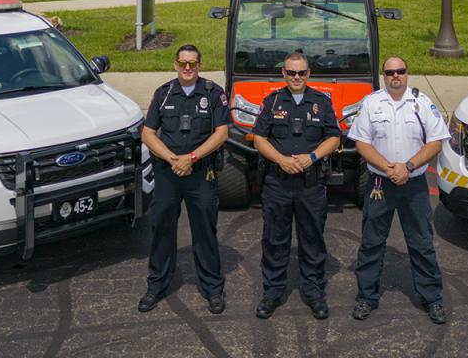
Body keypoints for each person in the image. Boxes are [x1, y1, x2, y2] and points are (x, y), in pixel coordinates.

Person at [348, 56, 451, 324]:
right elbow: (361, 142)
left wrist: (407, 166)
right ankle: (366, 297)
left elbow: (436, 142)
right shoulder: (371, 103)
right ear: (384, 76)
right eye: (390, 72)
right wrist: (389, 168)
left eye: (400, 71)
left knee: (421, 243)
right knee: (371, 242)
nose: (396, 76)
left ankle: (432, 299)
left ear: (407, 73)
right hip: (380, 183)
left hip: (414, 183)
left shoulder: (422, 102)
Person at [138, 44, 230, 314]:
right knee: (161, 230)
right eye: (183, 63)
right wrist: (172, 159)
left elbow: (221, 133)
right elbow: (148, 133)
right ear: (175, 64)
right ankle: (156, 286)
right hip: (168, 173)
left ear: (199, 65)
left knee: (204, 232)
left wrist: (190, 158)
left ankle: (213, 288)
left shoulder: (213, 93)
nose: (187, 68)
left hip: (200, 173)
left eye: (192, 64)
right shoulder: (164, 93)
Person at [251, 52, 341, 320]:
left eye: (301, 73)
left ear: (309, 73)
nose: (297, 77)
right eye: (291, 73)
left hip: (310, 184)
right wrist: (280, 160)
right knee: (275, 239)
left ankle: (314, 292)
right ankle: (273, 292)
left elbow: (334, 138)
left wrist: (311, 157)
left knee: (312, 239)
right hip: (277, 182)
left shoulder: (322, 102)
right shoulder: (273, 101)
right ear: (284, 74)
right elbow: (259, 138)